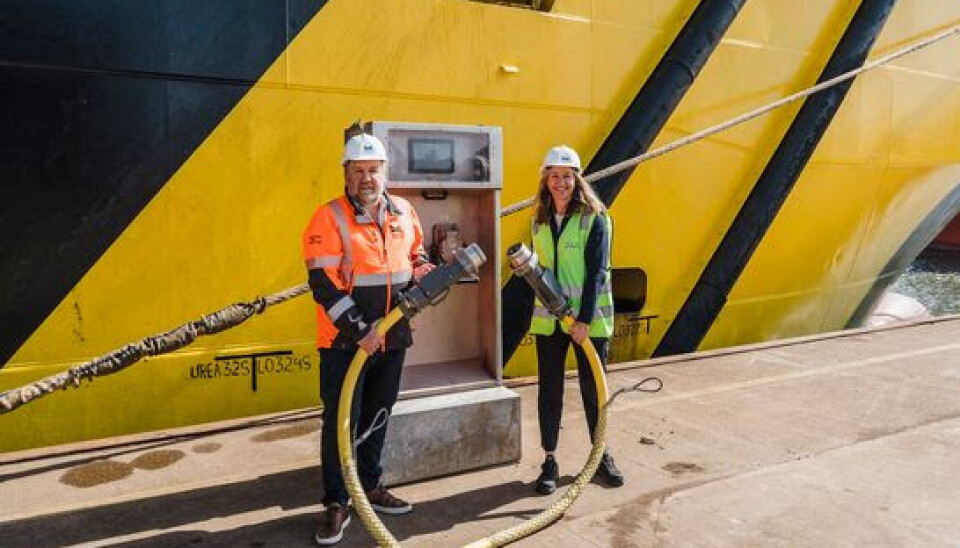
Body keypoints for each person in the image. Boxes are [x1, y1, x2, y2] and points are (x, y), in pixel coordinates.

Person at [303, 133, 435, 545]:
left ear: (384, 173)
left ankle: (370, 487)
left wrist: (424, 270)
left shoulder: (404, 211)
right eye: (358, 171)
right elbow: (324, 285)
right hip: (346, 345)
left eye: (373, 171)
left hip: (392, 339)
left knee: (380, 412)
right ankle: (338, 502)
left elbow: (416, 256)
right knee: (342, 422)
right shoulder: (328, 218)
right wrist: (361, 331)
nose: (366, 178)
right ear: (346, 174)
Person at [528, 145, 624, 494]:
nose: (561, 182)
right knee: (549, 391)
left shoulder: (595, 217)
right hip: (549, 320)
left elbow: (598, 271)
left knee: (593, 390)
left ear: (577, 179)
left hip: (589, 321)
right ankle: (549, 462)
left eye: (567, 176)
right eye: (554, 176)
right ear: (546, 180)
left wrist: (583, 320)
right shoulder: (538, 220)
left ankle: (601, 456)